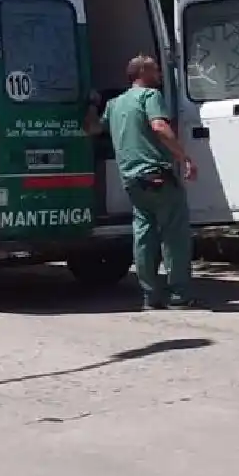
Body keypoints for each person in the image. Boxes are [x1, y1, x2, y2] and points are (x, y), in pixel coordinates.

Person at [83, 54, 197, 311]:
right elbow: (158, 126)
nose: (159, 74)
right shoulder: (150, 97)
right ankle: (179, 294)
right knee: (174, 235)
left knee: (144, 236)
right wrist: (184, 157)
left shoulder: (114, 104)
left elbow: (90, 128)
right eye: (155, 69)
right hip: (157, 174)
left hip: (132, 179)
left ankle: (150, 296)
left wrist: (92, 104)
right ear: (142, 72)